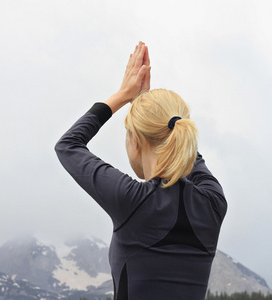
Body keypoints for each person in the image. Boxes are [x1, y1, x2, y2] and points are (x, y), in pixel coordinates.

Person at [54, 41, 227, 300]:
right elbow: (187, 150)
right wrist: (146, 109)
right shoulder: (213, 202)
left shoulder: (133, 200)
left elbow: (68, 145)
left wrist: (124, 95)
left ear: (135, 140)